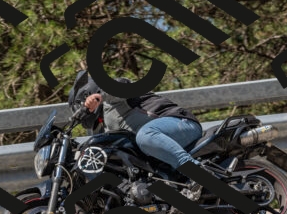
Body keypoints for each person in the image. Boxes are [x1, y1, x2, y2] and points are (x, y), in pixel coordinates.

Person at [70, 71, 203, 173]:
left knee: (145, 135)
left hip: (182, 124)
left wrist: (99, 96)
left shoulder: (113, 99)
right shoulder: (103, 126)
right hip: (157, 149)